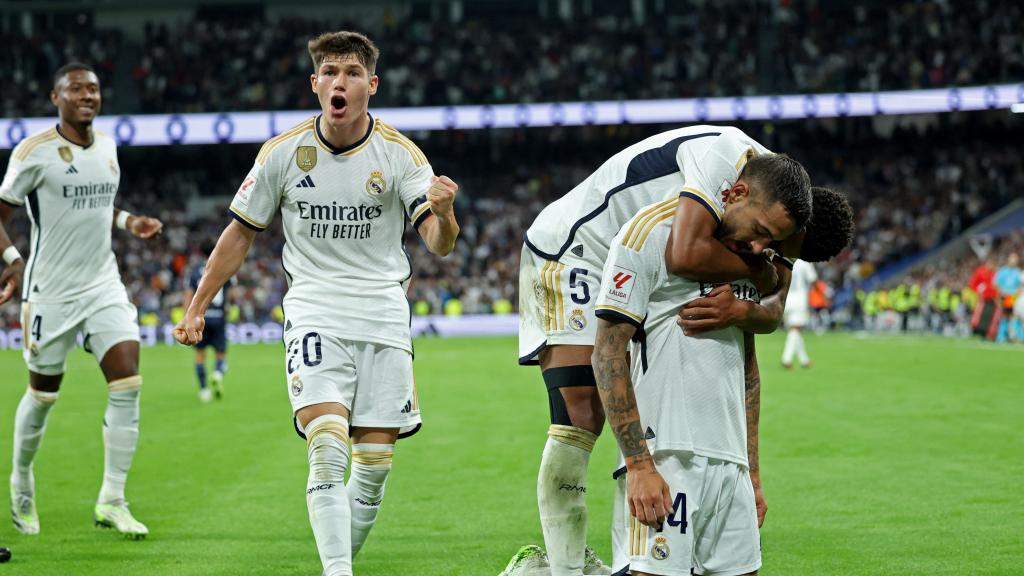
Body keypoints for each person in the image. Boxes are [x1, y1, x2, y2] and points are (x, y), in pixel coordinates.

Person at [172, 31, 459, 576]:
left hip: (383, 317)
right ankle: (337, 571)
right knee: (327, 447)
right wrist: (196, 305)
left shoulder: (400, 155)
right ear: (315, 84)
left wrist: (444, 213)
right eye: (329, 72)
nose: (339, 81)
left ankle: (338, 562)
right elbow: (239, 234)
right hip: (314, 311)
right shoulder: (282, 153)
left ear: (371, 85)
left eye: (351, 72)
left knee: (372, 470)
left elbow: (439, 245)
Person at [517, 125, 810, 576]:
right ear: (736, 193)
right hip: (576, 246)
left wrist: (748, 300)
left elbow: (773, 313)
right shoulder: (723, 155)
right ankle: (564, 567)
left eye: (776, 245)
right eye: (761, 234)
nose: (762, 248)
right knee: (581, 415)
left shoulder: (782, 209)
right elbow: (684, 253)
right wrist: (764, 275)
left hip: (635, 258)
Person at [592, 188, 852, 576]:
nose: (770, 250)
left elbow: (748, 371)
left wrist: (753, 473)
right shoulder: (655, 233)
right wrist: (640, 466)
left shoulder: (748, 261)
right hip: (667, 457)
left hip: (732, 465)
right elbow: (607, 354)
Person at [0, 63, 163, 538]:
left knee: (128, 381)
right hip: (50, 290)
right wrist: (12, 260)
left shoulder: (108, 148)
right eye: (76, 89)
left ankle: (113, 499)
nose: (86, 95)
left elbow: (93, 204)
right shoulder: (35, 153)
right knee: (43, 395)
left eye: (92, 88)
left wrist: (129, 222)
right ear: (56, 98)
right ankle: (22, 481)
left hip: (102, 285)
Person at [183, 241, 233, 402]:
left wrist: (186, 317)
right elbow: (231, 294)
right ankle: (218, 374)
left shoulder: (195, 271)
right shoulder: (223, 266)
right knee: (221, 355)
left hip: (200, 318)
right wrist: (228, 306)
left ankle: (204, 390)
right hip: (219, 317)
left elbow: (189, 294)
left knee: (200, 355)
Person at [781, 259, 818, 368]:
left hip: (786, 299)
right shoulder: (804, 262)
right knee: (795, 330)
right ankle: (786, 359)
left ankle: (804, 360)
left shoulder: (786, 259)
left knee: (794, 332)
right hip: (799, 300)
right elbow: (813, 280)